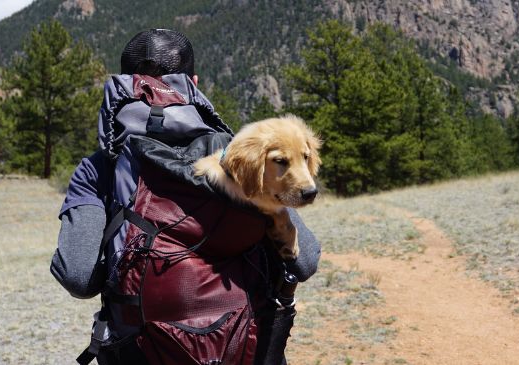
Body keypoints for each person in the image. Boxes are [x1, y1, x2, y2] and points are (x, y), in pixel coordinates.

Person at [50, 28, 321, 365]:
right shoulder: (237, 156)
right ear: (194, 82)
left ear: (127, 85)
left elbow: (78, 277)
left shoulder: (99, 167)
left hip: (142, 350)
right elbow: (305, 261)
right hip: (242, 347)